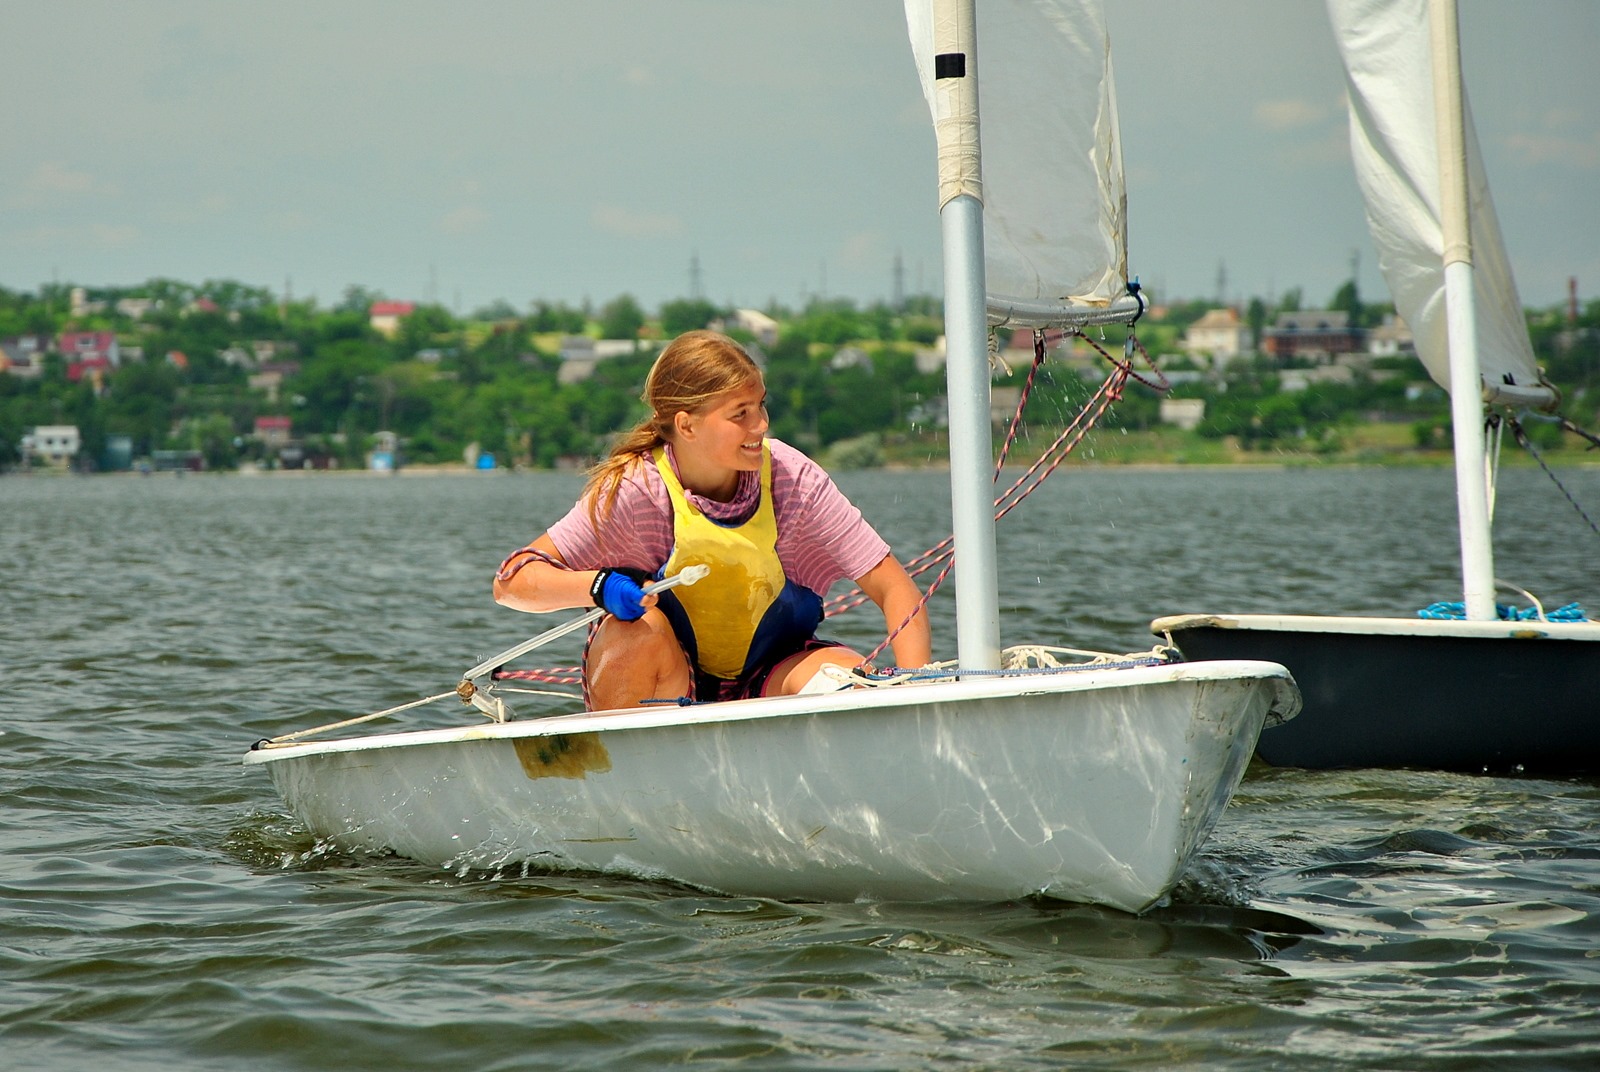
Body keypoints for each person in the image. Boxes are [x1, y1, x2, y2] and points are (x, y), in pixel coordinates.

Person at [493, 329, 932, 710]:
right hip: (668, 679)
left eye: (760, 406)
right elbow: (511, 582)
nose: (760, 425)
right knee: (633, 634)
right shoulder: (638, 491)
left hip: (774, 673)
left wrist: (915, 696)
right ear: (686, 426)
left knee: (852, 681)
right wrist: (599, 587)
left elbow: (895, 589)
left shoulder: (792, 478)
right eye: (739, 413)